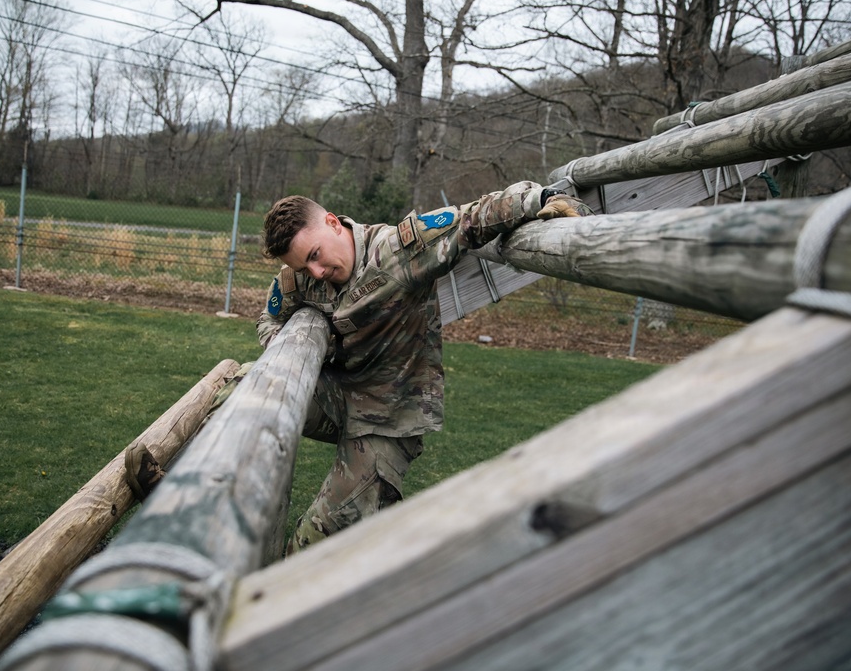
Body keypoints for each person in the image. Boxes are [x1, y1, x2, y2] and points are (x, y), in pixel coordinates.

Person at [126, 181, 591, 555]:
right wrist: (299, 346)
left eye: (315, 255)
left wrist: (544, 199)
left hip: (390, 418)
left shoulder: (397, 249)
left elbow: (472, 218)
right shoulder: (299, 275)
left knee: (320, 540)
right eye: (305, 267)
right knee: (239, 387)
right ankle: (185, 493)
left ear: (332, 222)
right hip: (335, 395)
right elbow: (269, 317)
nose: (318, 272)